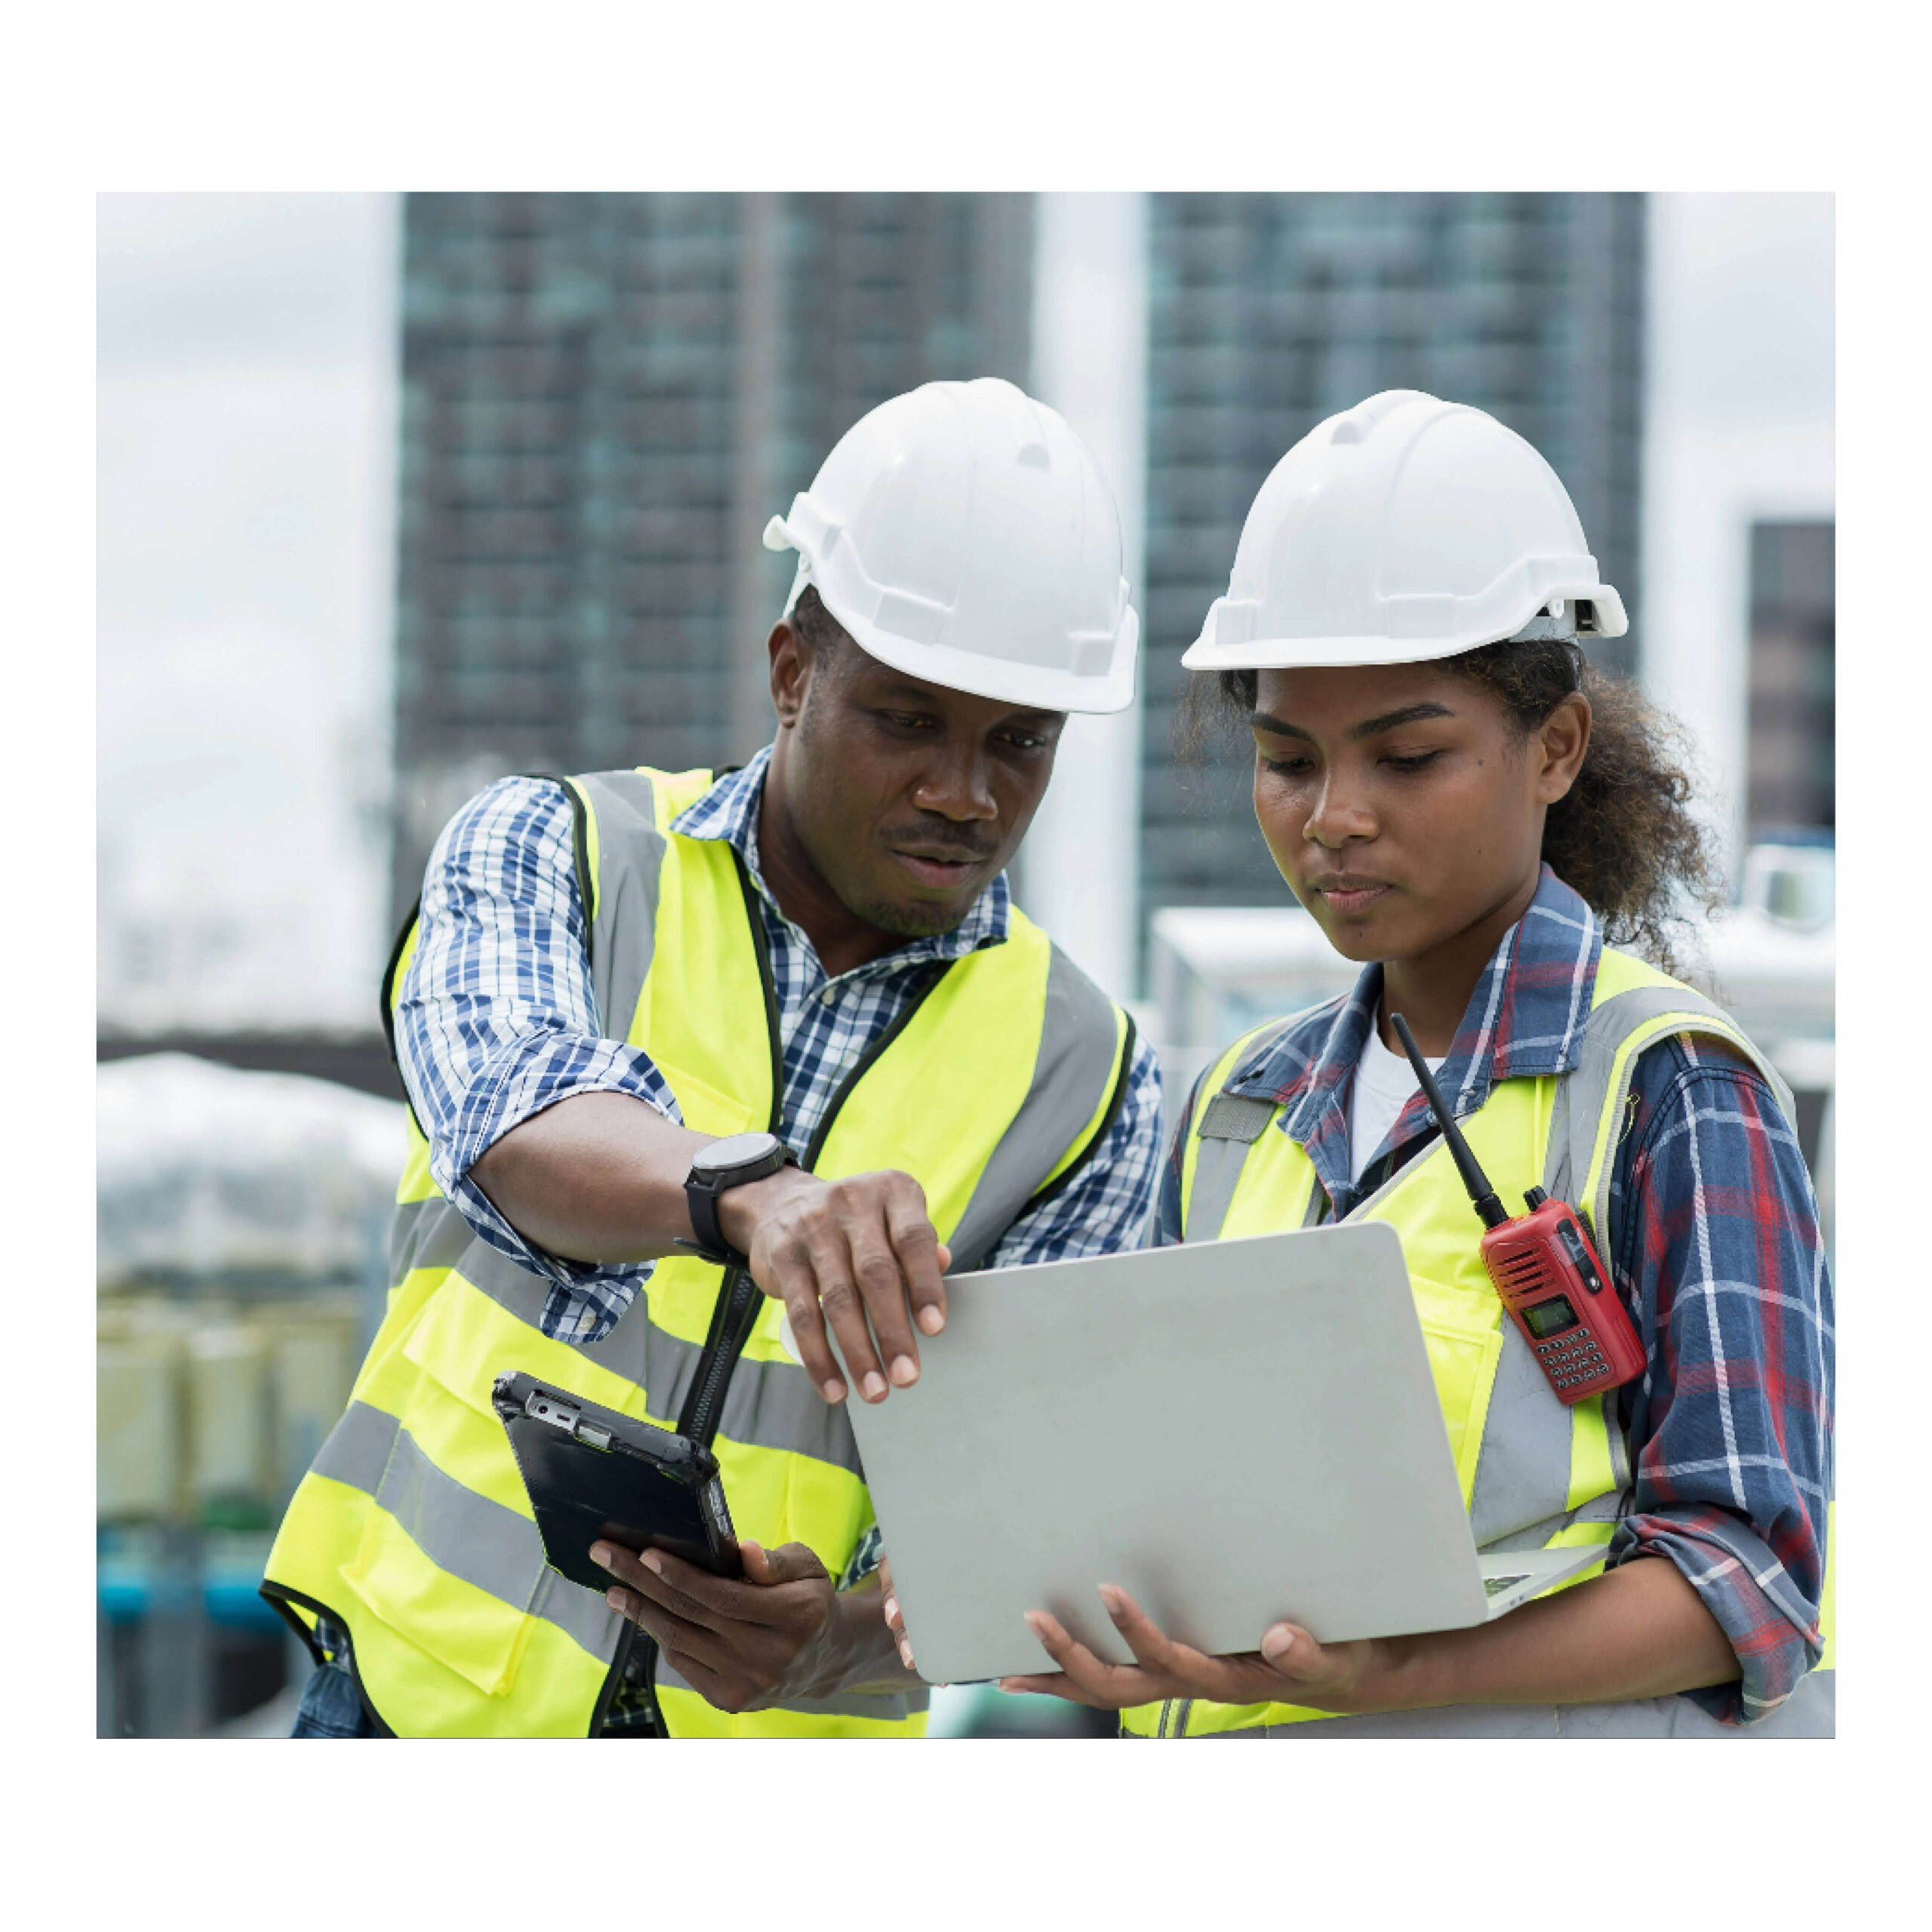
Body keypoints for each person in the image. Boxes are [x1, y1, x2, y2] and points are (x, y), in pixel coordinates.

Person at [262, 376, 1165, 1738]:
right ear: (794, 673)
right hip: (414, 1707)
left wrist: (840, 1644)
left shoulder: (1088, 1075)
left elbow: (1029, 1518)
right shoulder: (554, 851)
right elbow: (512, 1116)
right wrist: (749, 1192)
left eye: (1018, 744)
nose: (965, 793)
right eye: (909, 720)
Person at [926, 389, 1834, 1737]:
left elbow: (1752, 1579)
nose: (1335, 819)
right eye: (1287, 760)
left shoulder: (1668, 1087)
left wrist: (1396, 1675)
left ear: (1556, 750)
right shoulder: (1242, 1109)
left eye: (1408, 757)